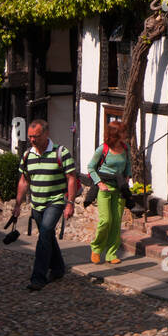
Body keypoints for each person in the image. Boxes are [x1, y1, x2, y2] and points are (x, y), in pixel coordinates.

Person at [12, 120, 77, 292]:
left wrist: (70, 203)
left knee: (44, 235)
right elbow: (24, 181)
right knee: (47, 235)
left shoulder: (61, 153)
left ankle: (38, 278)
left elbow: (71, 178)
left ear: (46, 134)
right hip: (37, 203)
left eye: (36, 136)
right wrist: (17, 204)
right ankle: (58, 269)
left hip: (55, 201)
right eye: (30, 137)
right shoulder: (27, 156)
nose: (32, 140)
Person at [87, 121, 131, 265]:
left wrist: (127, 178)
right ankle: (96, 248)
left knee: (116, 222)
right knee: (106, 221)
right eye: (123, 132)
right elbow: (91, 167)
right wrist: (100, 184)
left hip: (119, 189)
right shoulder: (103, 149)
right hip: (104, 189)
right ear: (116, 134)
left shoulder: (125, 148)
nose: (126, 134)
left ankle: (111, 254)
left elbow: (128, 166)